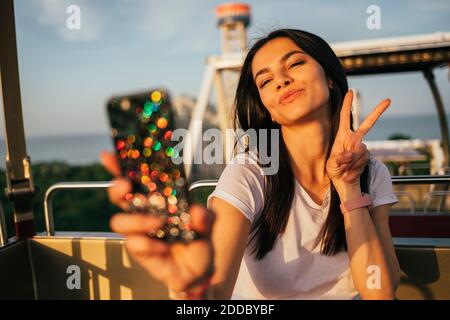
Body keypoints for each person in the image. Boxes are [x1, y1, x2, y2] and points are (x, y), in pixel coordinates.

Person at [100, 28, 400, 300]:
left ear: (330, 77)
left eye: (295, 64)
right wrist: (193, 287)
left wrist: (348, 187)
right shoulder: (249, 173)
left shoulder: (372, 174)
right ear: (267, 109)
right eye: (266, 81)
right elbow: (215, 292)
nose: (281, 80)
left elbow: (381, 292)